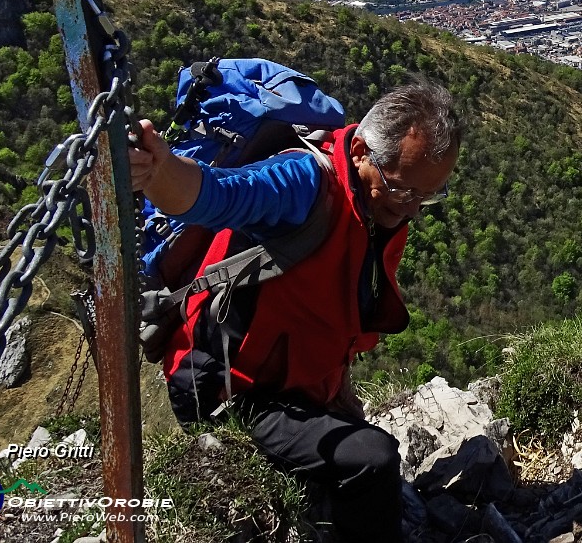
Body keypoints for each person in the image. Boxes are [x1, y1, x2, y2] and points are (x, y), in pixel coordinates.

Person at [129, 76, 462, 543]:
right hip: (225, 390)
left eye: (429, 195)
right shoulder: (303, 184)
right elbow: (218, 194)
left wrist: (336, 384)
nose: (414, 210)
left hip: (286, 381)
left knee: (356, 449)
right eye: (405, 191)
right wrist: (159, 173)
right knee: (375, 458)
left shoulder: (378, 202)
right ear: (362, 151)